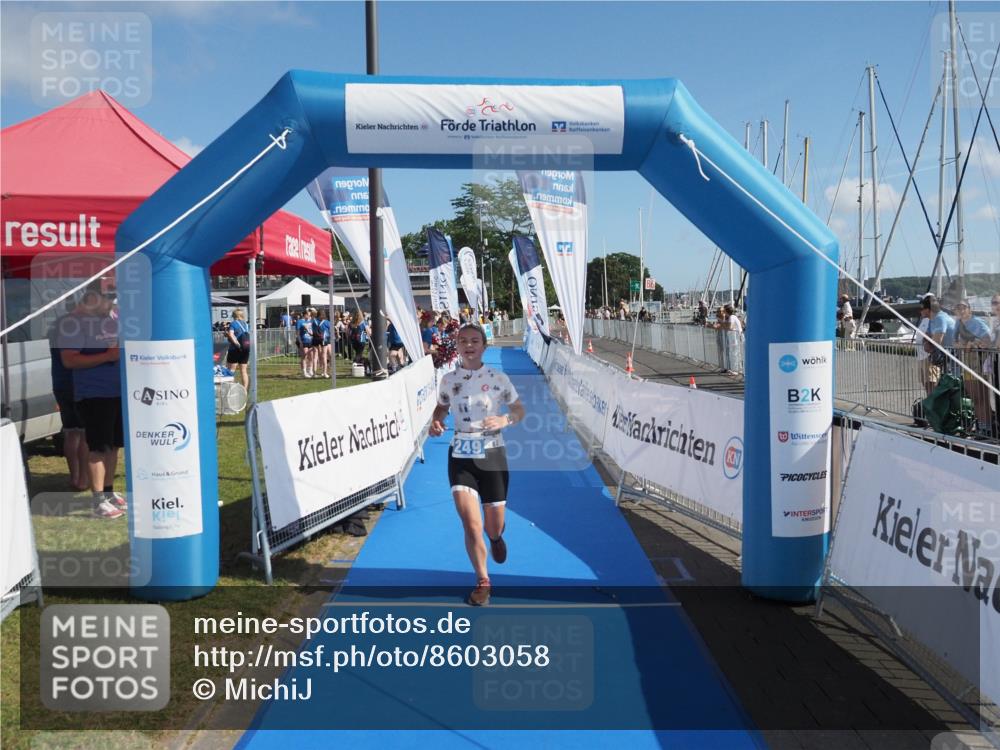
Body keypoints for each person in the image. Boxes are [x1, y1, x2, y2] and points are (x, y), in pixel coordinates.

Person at [428, 323, 527, 606]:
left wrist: (505, 420)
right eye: (463, 341)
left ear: (484, 346)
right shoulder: (448, 380)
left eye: (474, 340)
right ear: (457, 347)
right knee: (471, 525)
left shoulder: (498, 378)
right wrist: (436, 421)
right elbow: (442, 408)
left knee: (491, 526)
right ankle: (483, 580)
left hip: (493, 455)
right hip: (461, 454)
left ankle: (496, 538)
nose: (468, 345)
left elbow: (519, 409)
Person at [59, 284, 125, 519]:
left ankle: (108, 493)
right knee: (98, 446)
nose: (113, 303)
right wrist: (107, 356)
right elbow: (69, 360)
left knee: (114, 445)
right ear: (93, 297)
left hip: (117, 391)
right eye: (109, 298)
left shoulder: (113, 317)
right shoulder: (73, 322)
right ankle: (98, 502)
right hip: (94, 394)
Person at [49, 300, 89, 491]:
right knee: (83, 433)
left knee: (71, 432)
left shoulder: (58, 324)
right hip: (76, 383)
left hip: (60, 382)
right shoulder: (75, 325)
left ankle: (74, 477)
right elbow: (75, 357)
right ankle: (82, 479)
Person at [953, 299, 993, 434]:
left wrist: (973, 344)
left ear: (969, 309)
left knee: (981, 395)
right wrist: (963, 345)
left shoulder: (977, 322)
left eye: (963, 307)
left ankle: (986, 427)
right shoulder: (958, 324)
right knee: (973, 396)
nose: (961, 310)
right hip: (967, 362)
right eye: (958, 308)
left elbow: (988, 339)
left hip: (979, 362)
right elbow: (955, 342)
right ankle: (980, 425)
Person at [226, 308, 251, 390]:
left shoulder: (233, 324)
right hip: (245, 349)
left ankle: (231, 390)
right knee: (244, 371)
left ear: (234, 315)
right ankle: (244, 391)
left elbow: (231, 334)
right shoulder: (246, 325)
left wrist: (236, 343)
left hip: (235, 349)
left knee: (231, 370)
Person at [297, 308, 315, 377]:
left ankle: (310, 370)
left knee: (311, 356)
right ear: (305, 315)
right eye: (308, 315)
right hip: (303, 341)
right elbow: (297, 333)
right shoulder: (300, 322)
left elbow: (312, 331)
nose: (309, 316)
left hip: (310, 340)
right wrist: (300, 342)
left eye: (310, 315)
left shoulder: (310, 321)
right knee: (304, 356)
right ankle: (304, 371)